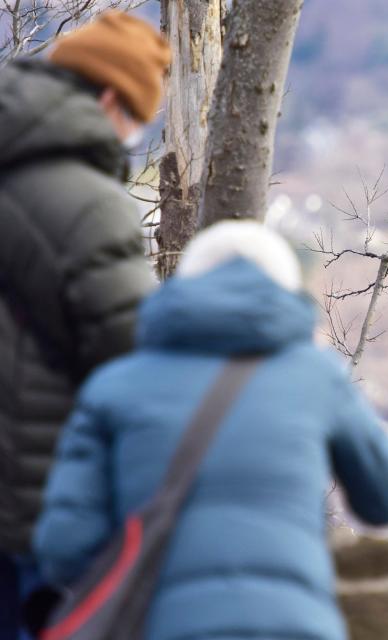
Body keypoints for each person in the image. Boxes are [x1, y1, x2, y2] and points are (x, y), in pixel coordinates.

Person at [33, 221, 388, 640]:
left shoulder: (114, 387)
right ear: (286, 292)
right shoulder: (315, 374)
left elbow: (64, 548)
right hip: (296, 626)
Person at [0, 11, 171, 637]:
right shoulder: (91, 207)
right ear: (108, 100)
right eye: (136, 119)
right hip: (34, 503)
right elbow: (133, 358)